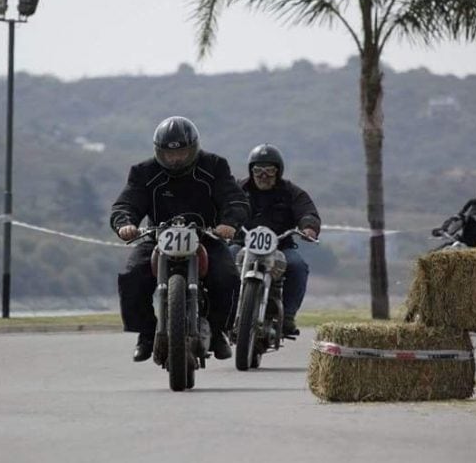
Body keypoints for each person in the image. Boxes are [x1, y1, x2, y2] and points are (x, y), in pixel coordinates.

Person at [111, 116, 250, 362]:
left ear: (193, 148)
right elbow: (126, 203)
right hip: (157, 238)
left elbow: (234, 198)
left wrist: (229, 223)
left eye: (182, 152)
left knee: (227, 277)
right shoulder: (143, 172)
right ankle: (146, 333)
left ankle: (218, 331)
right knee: (130, 276)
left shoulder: (215, 166)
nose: (175, 159)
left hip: (206, 237)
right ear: (158, 151)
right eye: (168, 154)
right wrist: (125, 224)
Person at [235, 143, 321, 336]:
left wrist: (309, 227)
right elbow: (223, 205)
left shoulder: (291, 192)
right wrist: (221, 223)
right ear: (251, 170)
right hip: (242, 244)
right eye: (258, 170)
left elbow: (307, 211)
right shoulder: (239, 189)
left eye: (269, 170)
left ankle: (288, 317)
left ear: (278, 171)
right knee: (223, 262)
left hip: (280, 247)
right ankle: (221, 312)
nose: (263, 175)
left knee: (298, 266)